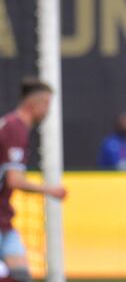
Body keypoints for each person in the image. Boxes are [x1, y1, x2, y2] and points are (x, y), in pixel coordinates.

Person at [0, 78, 67, 282]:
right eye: (47, 104)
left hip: (3, 217)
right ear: (34, 104)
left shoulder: (10, 124)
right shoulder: (15, 128)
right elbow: (14, 180)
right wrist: (50, 190)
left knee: (21, 276)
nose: (48, 110)